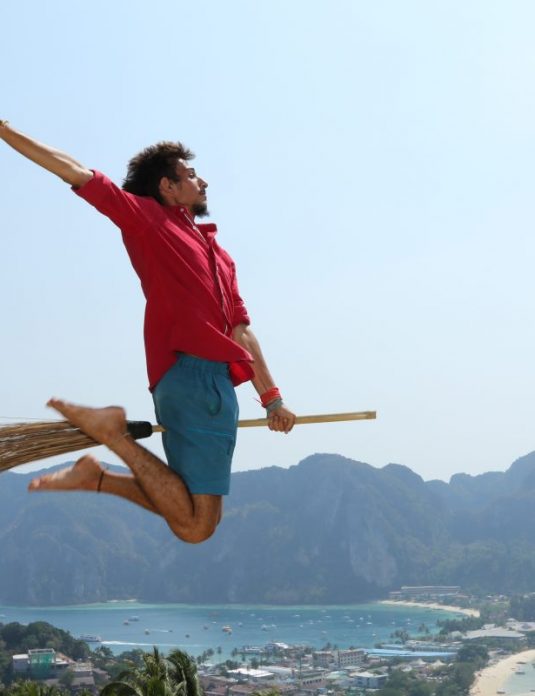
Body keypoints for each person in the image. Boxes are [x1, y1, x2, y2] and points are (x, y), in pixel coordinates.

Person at [0, 119, 296, 544]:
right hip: (186, 377)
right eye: (190, 174)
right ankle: (111, 437)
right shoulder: (147, 220)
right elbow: (75, 171)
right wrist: (6, 131)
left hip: (219, 388)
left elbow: (241, 332)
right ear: (167, 187)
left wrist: (272, 399)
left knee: (200, 521)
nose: (203, 181)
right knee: (196, 526)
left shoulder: (220, 255)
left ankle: (97, 475)